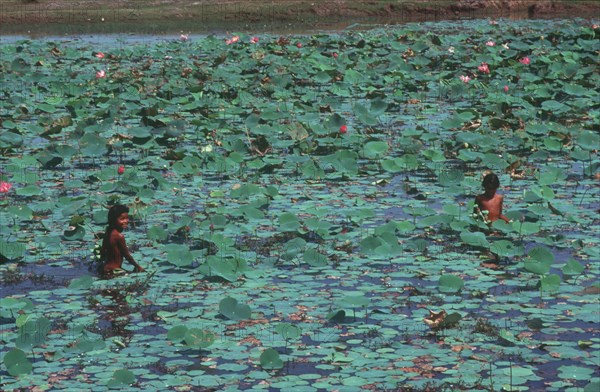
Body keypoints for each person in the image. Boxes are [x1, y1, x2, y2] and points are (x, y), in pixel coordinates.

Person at [100, 204, 144, 274]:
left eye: (127, 218)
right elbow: (127, 256)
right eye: (122, 219)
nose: (126, 221)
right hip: (114, 271)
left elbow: (102, 252)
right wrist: (138, 267)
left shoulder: (108, 232)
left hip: (105, 269)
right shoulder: (119, 236)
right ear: (113, 220)